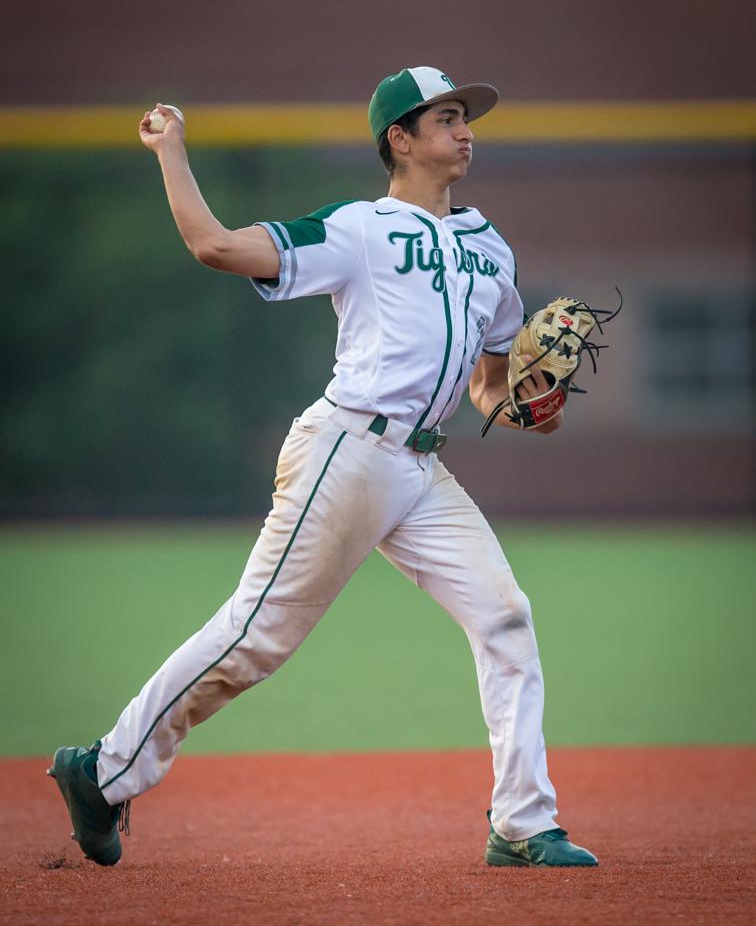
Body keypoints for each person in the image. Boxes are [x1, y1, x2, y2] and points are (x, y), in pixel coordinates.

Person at [48, 66, 598, 869]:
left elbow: (486, 383)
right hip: (347, 450)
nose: (464, 128)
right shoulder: (360, 229)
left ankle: (521, 822)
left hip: (422, 471)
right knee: (256, 638)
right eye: (444, 117)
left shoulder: (491, 249)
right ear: (398, 140)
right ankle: (102, 772)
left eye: (465, 115)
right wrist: (171, 151)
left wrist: (525, 407)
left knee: (505, 618)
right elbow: (215, 245)